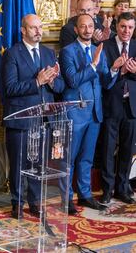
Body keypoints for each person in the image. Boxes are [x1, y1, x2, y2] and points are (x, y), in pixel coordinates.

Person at [2, 14, 65, 218]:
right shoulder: (12, 54)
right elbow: (10, 88)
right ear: (23, 30)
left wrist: (52, 81)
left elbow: (61, 85)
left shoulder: (48, 53)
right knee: (20, 163)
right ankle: (17, 203)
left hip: (44, 119)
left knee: (38, 165)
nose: (39, 31)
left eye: (40, 27)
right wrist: (37, 81)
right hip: (21, 119)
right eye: (33, 28)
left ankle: (35, 202)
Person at [59, 14, 122, 213]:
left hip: (95, 112)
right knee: (69, 158)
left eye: (90, 26)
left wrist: (113, 69)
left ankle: (84, 195)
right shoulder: (67, 51)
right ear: (76, 29)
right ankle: (66, 198)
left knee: (86, 158)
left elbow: (105, 82)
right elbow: (72, 81)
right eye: (83, 27)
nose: (87, 30)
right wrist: (93, 65)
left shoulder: (98, 49)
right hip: (75, 113)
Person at [100, 12, 136, 205]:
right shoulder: (105, 47)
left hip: (131, 107)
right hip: (111, 105)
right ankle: (107, 189)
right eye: (123, 27)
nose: (126, 31)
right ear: (116, 26)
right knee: (107, 149)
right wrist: (116, 70)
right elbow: (102, 80)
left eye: (130, 27)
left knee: (127, 149)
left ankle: (123, 188)